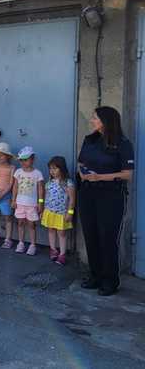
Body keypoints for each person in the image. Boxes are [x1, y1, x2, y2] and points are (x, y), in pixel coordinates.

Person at [78, 106, 134, 296]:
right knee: (90, 235)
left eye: (95, 118)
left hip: (110, 197)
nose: (92, 120)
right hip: (87, 194)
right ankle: (95, 276)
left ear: (106, 121)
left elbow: (127, 174)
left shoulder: (123, 143)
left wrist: (100, 177)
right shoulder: (90, 139)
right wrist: (83, 174)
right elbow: (81, 163)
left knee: (107, 238)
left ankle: (110, 281)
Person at [41, 156, 75, 265]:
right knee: (51, 230)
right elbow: (45, 197)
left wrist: (70, 212)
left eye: (55, 168)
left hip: (62, 213)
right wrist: (42, 209)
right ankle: (53, 250)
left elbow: (72, 199)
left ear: (62, 168)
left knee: (62, 233)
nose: (52, 171)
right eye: (50, 169)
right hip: (49, 211)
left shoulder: (68, 183)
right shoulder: (49, 183)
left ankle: (62, 254)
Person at [11, 146, 44, 256]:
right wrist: (13, 200)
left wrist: (40, 202)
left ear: (32, 159)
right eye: (21, 160)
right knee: (20, 223)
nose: (23, 162)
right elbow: (15, 186)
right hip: (20, 203)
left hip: (32, 204)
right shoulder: (18, 172)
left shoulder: (37, 173)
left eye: (26, 159)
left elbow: (40, 188)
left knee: (31, 224)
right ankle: (21, 243)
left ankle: (32, 244)